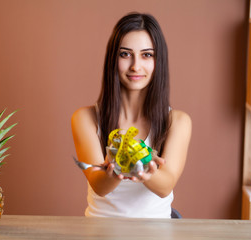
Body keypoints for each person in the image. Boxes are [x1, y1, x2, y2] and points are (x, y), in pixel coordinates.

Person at [71, 12, 192, 218]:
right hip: (100, 232)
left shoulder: (178, 121)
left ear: (158, 61)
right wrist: (123, 164)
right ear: (113, 59)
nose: (136, 66)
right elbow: (100, 185)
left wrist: (140, 165)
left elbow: (165, 186)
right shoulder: (85, 118)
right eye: (125, 54)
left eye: (147, 55)